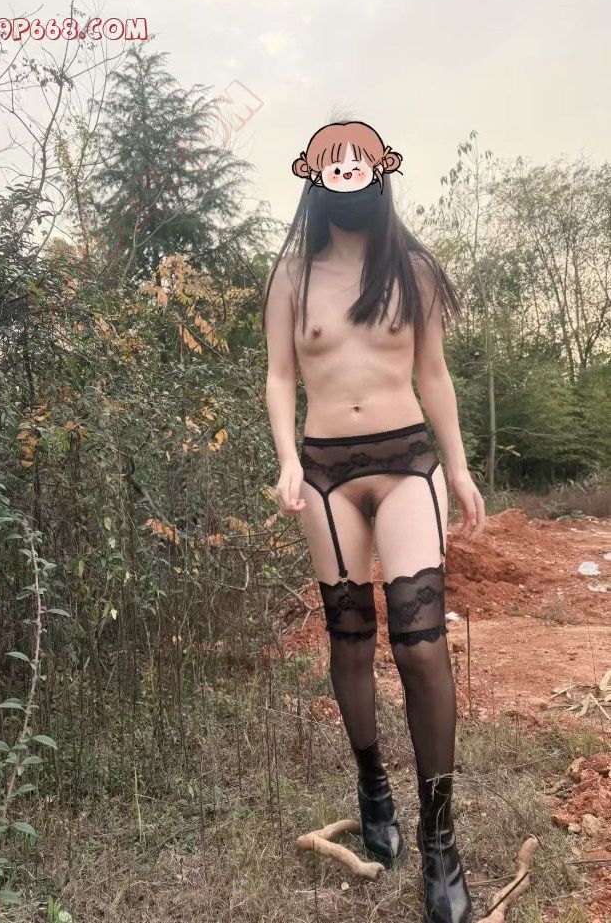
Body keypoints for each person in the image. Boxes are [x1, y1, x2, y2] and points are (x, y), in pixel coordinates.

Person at [261, 122, 486, 923]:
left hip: (405, 464)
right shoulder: (293, 273)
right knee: (350, 638)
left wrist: (458, 467)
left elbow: (434, 372)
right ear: (314, 178)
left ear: (380, 173)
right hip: (324, 473)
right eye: (333, 166)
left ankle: (440, 841)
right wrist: (287, 458)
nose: (347, 176)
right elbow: (279, 375)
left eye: (358, 164)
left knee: (421, 645)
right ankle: (373, 788)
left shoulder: (411, 268)